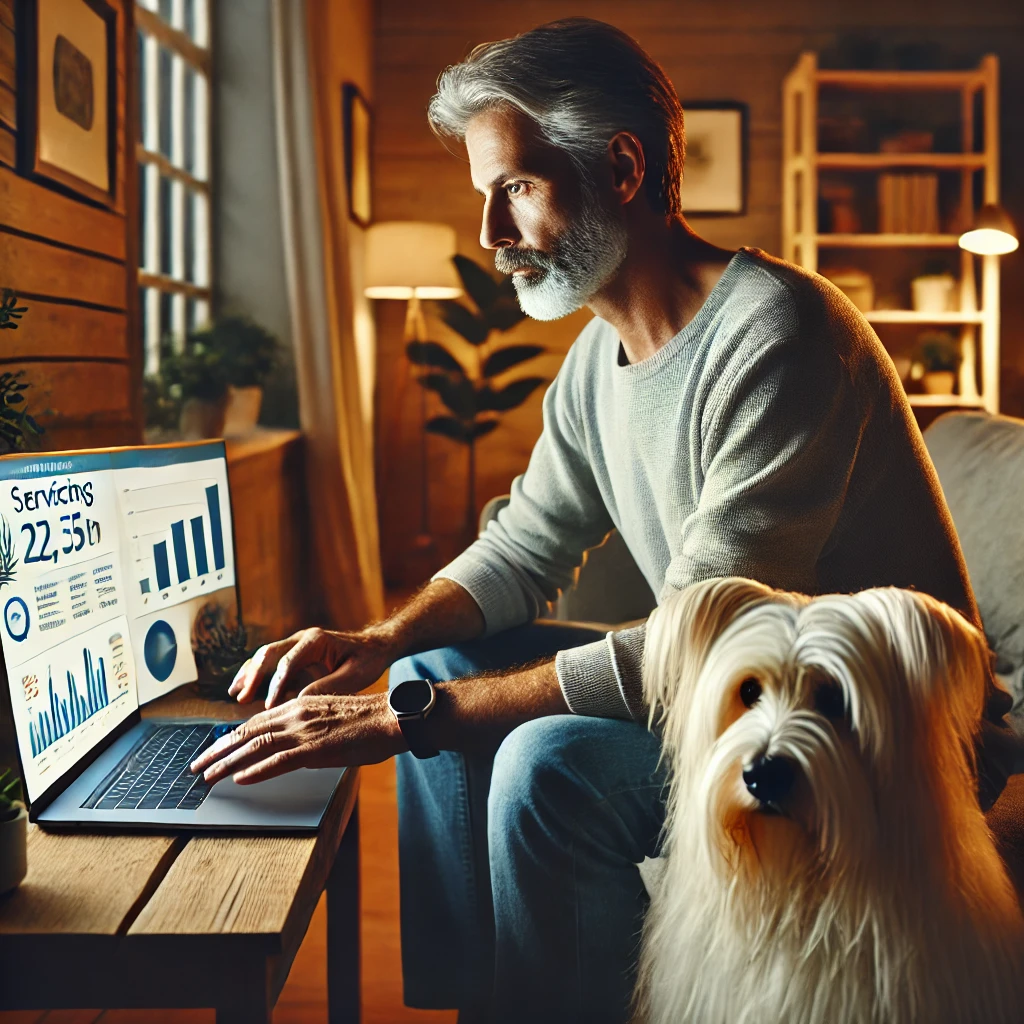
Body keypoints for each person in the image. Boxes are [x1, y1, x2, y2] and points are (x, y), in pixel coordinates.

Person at [191, 17, 1014, 1024]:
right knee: (426, 673)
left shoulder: (779, 335)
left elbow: (689, 636)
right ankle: (485, 1003)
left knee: (546, 766)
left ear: (621, 166)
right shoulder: (595, 361)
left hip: (869, 733)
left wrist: (406, 722)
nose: (490, 234)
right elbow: (524, 547)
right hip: (730, 694)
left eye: (516, 189)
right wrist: (379, 644)